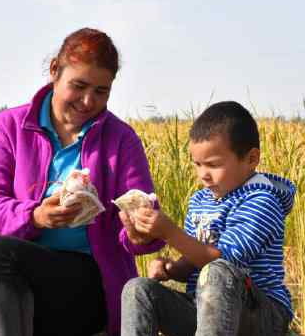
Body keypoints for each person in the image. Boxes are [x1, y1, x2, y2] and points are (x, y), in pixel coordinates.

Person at [0, 27, 164, 336]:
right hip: (13, 277)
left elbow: (144, 217)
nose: (87, 101)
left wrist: (139, 233)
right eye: (79, 86)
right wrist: (36, 216)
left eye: (101, 91)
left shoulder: (122, 139)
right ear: (55, 70)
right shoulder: (10, 127)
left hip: (90, 282)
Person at [120, 101, 295, 336]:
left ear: (251, 159)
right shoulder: (200, 201)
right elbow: (194, 261)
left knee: (218, 272)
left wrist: (169, 232)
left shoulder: (262, 201)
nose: (203, 175)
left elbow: (224, 263)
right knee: (137, 289)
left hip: (261, 316)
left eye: (213, 165)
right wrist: (171, 269)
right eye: (198, 164)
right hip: (206, 310)